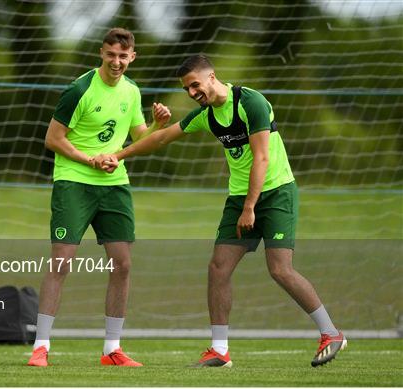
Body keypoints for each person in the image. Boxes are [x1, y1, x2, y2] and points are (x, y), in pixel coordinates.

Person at [96, 54, 346, 368]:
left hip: (276, 193)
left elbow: (262, 159)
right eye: (187, 89)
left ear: (212, 76)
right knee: (218, 268)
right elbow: (161, 137)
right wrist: (118, 156)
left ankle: (330, 333)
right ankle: (219, 350)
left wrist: (250, 207)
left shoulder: (250, 103)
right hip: (240, 198)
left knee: (280, 269)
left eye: (195, 85)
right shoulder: (207, 115)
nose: (192, 93)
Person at [27, 27, 171, 367]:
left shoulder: (133, 91)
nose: (116, 62)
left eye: (123, 56)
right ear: (101, 53)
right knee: (61, 261)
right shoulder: (79, 89)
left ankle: (112, 350)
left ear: (132, 57)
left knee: (122, 264)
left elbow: (138, 137)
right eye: (111, 55)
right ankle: (41, 347)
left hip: (114, 185)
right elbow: (53, 138)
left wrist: (155, 124)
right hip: (74, 182)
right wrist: (89, 159)